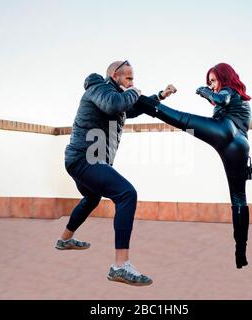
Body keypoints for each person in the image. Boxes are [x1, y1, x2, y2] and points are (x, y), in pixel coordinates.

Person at [58, 60, 175, 286]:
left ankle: (64, 240)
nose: (132, 83)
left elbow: (134, 107)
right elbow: (114, 104)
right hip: (85, 158)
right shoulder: (99, 89)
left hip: (84, 159)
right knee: (126, 194)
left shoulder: (118, 96)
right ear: (114, 75)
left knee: (92, 197)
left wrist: (160, 95)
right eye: (129, 78)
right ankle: (120, 266)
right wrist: (133, 92)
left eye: (133, 79)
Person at [134, 63, 252, 269]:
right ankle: (240, 252)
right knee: (239, 199)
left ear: (225, 78)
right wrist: (210, 92)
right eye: (210, 83)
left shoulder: (229, 91)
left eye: (214, 81)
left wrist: (204, 91)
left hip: (225, 130)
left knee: (181, 119)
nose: (213, 85)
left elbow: (220, 98)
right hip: (240, 146)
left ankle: (135, 98)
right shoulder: (242, 98)